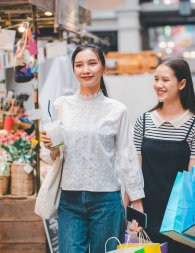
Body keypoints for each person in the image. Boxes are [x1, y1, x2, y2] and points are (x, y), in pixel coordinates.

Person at [41, 44, 145, 253]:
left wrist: (137, 200)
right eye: (79, 65)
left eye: (92, 63)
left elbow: (127, 156)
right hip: (69, 199)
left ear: (103, 68)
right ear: (74, 70)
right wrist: (51, 147)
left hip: (106, 200)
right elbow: (54, 156)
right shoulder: (61, 105)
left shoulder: (117, 110)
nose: (85, 70)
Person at [132, 57, 195, 253]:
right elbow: (133, 171)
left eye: (165, 80)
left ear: (182, 83)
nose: (158, 85)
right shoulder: (143, 122)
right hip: (149, 215)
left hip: (183, 217)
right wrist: (133, 212)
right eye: (156, 79)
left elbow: (194, 177)